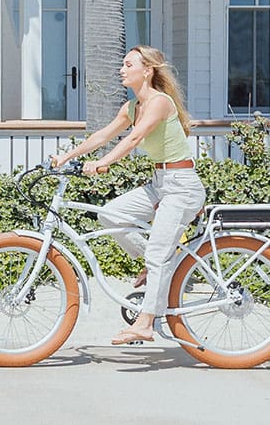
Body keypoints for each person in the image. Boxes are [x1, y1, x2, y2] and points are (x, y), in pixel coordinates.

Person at [48, 45, 201, 346]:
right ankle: (159, 264)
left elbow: (133, 139)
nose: (122, 69)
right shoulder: (132, 107)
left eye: (128, 64)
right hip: (160, 182)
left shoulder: (159, 102)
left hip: (182, 185)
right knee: (110, 214)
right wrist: (67, 157)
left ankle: (146, 323)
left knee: (158, 255)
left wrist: (104, 162)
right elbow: (102, 136)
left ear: (147, 71)